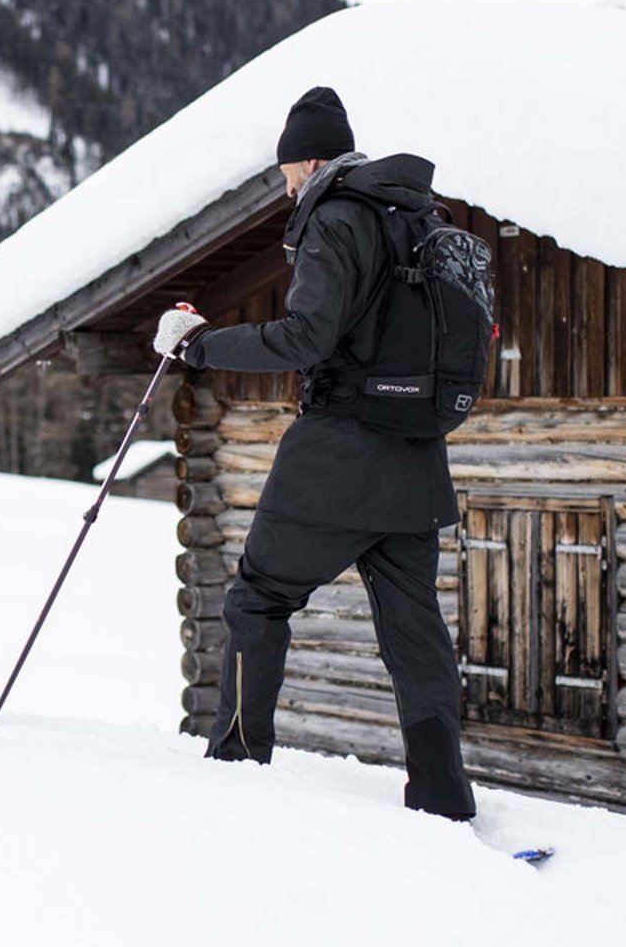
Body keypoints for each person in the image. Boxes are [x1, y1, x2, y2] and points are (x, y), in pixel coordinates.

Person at [150, 87, 476, 819]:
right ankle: (443, 793)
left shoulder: (335, 216)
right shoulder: (411, 216)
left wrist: (201, 346)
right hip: (416, 452)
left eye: (287, 173)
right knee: (413, 626)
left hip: (340, 448)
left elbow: (307, 338)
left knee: (256, 599)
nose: (286, 187)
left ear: (312, 159)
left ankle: (235, 763)